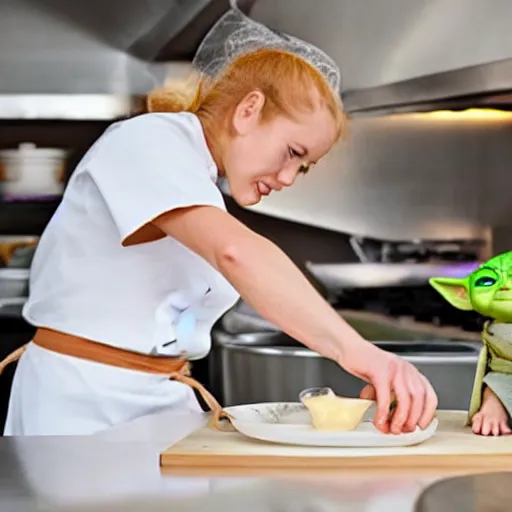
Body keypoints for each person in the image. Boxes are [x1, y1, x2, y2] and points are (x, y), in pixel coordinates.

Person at [0, 9, 437, 436]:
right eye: (292, 153)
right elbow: (236, 253)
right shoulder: (148, 141)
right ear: (248, 110)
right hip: (85, 404)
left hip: (160, 397)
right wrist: (361, 353)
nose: (288, 178)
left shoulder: (196, 176)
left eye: (303, 169)